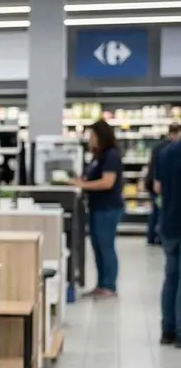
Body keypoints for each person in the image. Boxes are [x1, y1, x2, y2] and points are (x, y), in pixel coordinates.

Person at [72, 120, 124, 299]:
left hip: (108, 208)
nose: (90, 140)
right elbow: (90, 176)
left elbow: (107, 182)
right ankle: (101, 284)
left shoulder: (111, 155)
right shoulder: (98, 156)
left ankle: (110, 286)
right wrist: (80, 180)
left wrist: (83, 185)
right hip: (97, 208)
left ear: (101, 136)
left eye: (92, 136)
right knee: (97, 246)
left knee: (106, 246)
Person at [155, 134, 181, 344]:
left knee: (171, 277)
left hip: (169, 222)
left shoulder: (166, 152)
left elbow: (158, 188)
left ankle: (168, 329)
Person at [146, 123, 181, 245]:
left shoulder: (159, 147)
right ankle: (160, 237)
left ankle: (152, 237)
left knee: (156, 212)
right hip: (162, 186)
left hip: (155, 184)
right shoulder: (169, 149)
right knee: (160, 212)